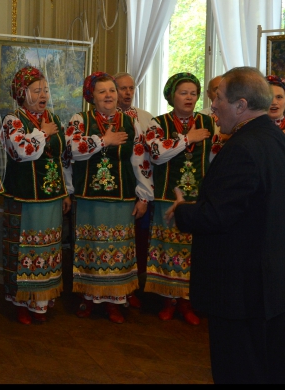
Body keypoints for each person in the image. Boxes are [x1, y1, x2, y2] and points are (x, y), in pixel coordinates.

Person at [168, 66, 285, 384]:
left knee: (239, 368)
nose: (212, 105)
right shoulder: (274, 138)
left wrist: (183, 211)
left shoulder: (242, 149)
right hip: (267, 283)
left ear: (241, 105)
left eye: (218, 98)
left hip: (239, 288)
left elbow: (217, 216)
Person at [66, 72, 153, 323]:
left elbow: (140, 160)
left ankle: (115, 301)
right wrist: (104, 141)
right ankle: (89, 298)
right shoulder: (80, 119)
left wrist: (144, 196)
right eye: (102, 91)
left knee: (117, 251)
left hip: (121, 197)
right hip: (88, 197)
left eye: (112, 91)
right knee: (90, 248)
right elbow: (71, 150)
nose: (109, 95)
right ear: (91, 96)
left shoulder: (130, 122)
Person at [0, 67, 72, 324]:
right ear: (22, 93)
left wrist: (65, 193)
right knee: (25, 248)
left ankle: (42, 301)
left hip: (51, 196)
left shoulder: (52, 118)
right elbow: (22, 151)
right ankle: (21, 301)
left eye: (45, 89)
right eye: (36, 90)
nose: (43, 94)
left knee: (48, 248)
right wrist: (43, 133)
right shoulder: (13, 120)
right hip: (24, 197)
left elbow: (62, 159)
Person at [143, 72, 213, 325]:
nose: (189, 97)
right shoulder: (157, 123)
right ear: (172, 96)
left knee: (193, 252)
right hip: (166, 196)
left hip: (197, 200)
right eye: (183, 93)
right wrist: (188, 138)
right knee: (167, 250)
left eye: (193, 93)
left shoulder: (210, 122)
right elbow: (156, 154)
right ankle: (168, 301)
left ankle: (187, 302)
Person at [114, 71, 154, 306]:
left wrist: (145, 195)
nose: (128, 93)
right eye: (122, 88)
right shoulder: (100, 119)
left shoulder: (146, 118)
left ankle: (132, 288)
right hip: (113, 189)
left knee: (135, 242)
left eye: (131, 88)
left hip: (138, 190)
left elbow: (146, 159)